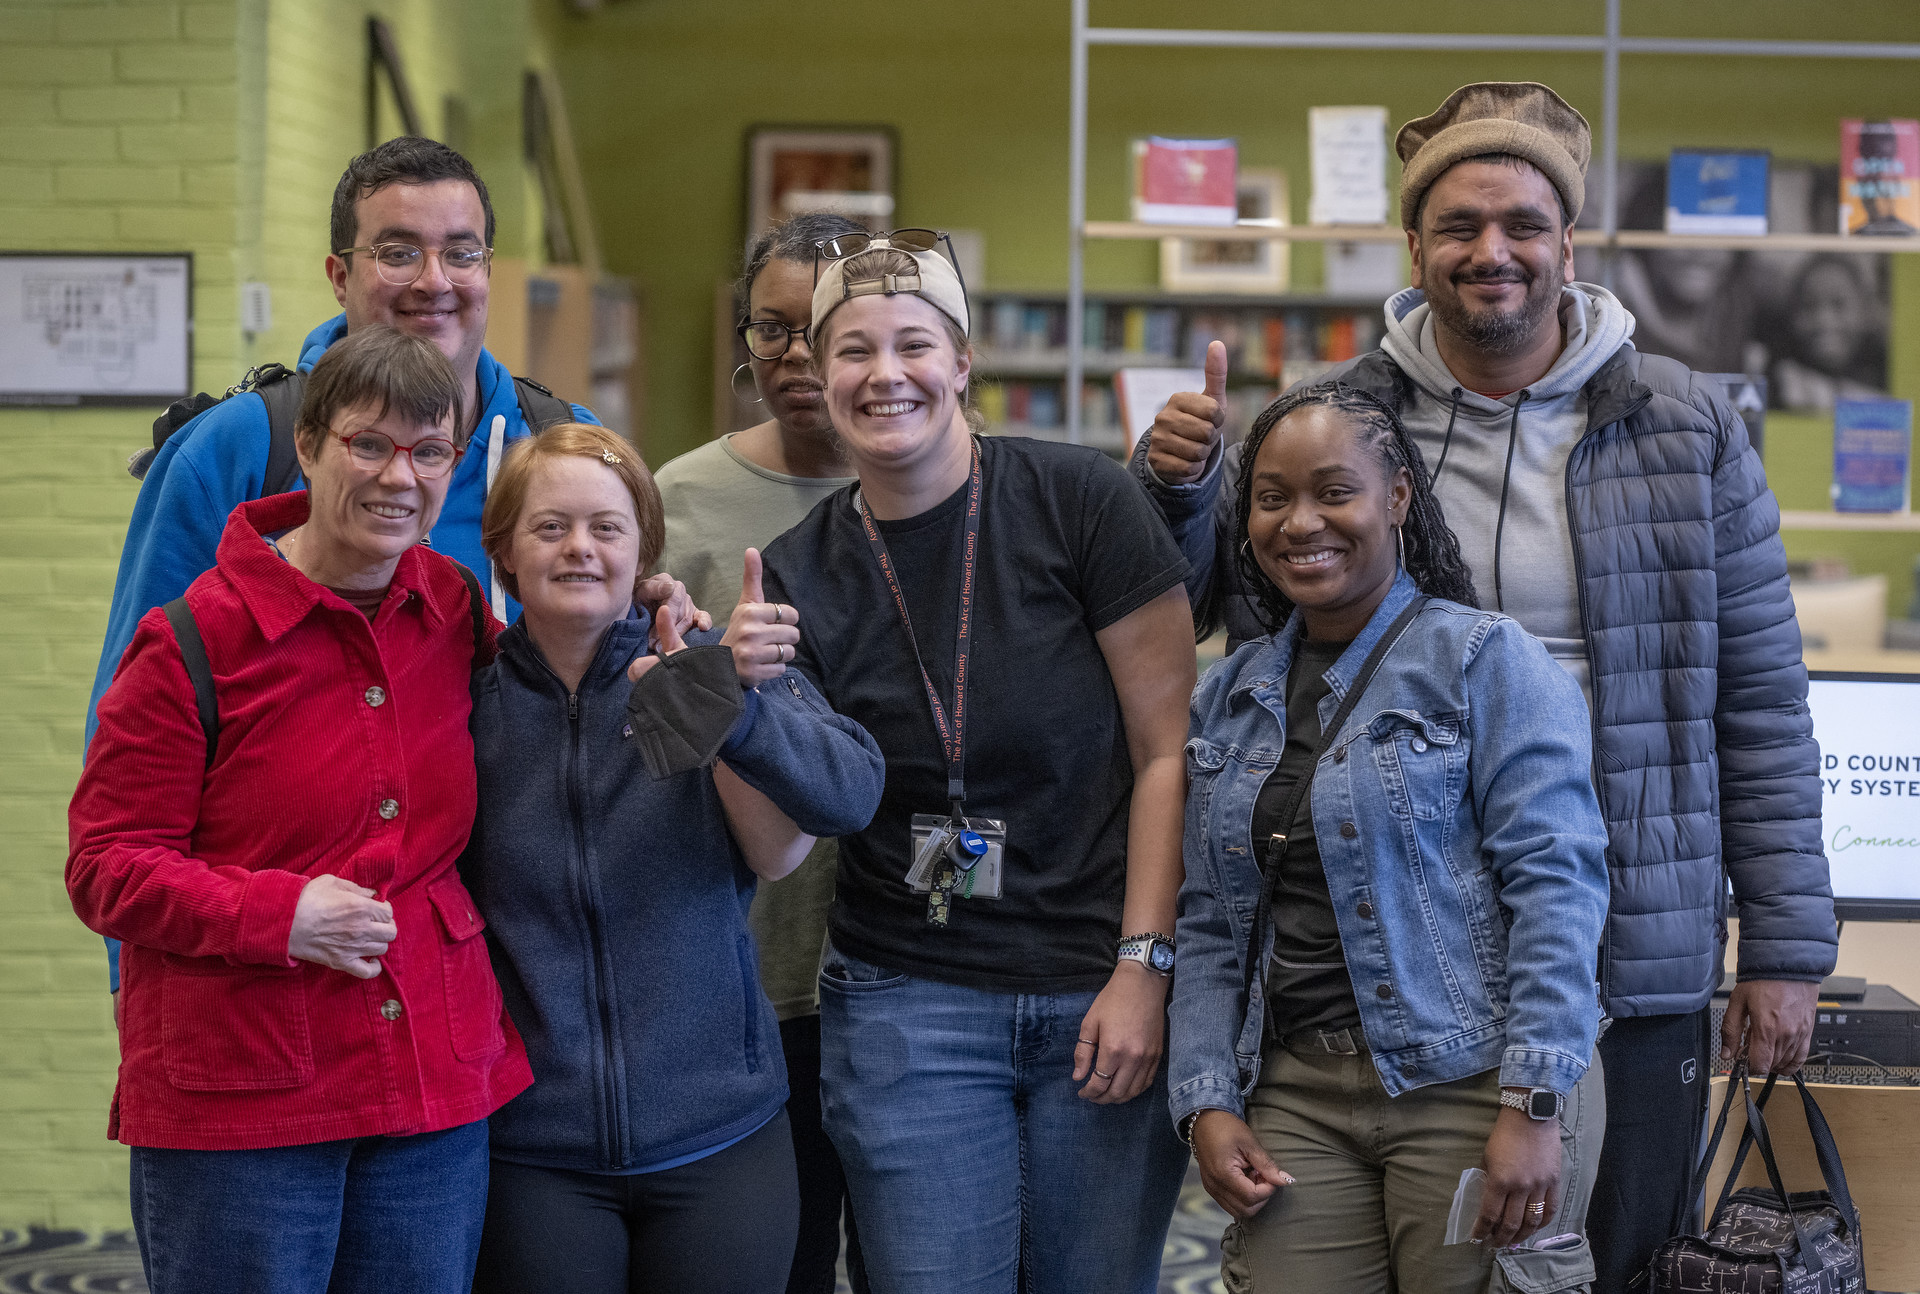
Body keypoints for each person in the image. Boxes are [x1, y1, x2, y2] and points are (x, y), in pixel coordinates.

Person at [1133, 81, 1836, 1292]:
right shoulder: (1350, 420)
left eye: (1522, 222)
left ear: (1570, 240)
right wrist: (1184, 493)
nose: (1491, 252)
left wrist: (1784, 945)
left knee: (1609, 1259)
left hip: (1631, 925)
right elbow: (1249, 628)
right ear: (1415, 246)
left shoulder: (1686, 423)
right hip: (1398, 936)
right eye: (1458, 225)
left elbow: (1761, 697)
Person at [87, 136, 656, 1006]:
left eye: (460, 252)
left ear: (489, 270)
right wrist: (151, 1003)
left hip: (509, 965)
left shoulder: (555, 441)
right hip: (277, 980)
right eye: (396, 251)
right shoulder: (245, 447)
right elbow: (131, 759)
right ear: (339, 273)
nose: (434, 279)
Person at [759, 231, 1195, 1294]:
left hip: (1099, 981)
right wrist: (741, 697)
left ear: (962, 363)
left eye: (914, 344)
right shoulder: (795, 571)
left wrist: (1145, 965)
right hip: (908, 1000)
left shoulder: (1084, 501)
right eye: (852, 350)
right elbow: (781, 842)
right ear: (820, 375)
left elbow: (1169, 750)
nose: (885, 374)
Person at [66, 326, 532, 1294]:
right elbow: (106, 864)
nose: (399, 477)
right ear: (312, 446)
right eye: (370, 444)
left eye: (429, 451)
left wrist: (649, 622)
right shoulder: (194, 637)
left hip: (428, 1081)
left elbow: (553, 700)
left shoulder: (450, 606)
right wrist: (278, 916)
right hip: (245, 1095)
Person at [1171, 381, 1609, 1294]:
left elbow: (1557, 889)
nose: (1301, 523)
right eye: (1272, 497)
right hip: (1294, 1092)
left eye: (1335, 491)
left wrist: (1534, 1100)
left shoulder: (1487, 659)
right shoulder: (1230, 693)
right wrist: (1206, 1099)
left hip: (1474, 1082)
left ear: (1398, 497)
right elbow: (1212, 918)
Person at [462, 422, 884, 1293]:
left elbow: (849, 794)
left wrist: (731, 702)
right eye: (551, 527)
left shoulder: (705, 662)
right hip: (533, 1147)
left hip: (718, 1134)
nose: (581, 548)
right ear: (503, 551)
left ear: (643, 550)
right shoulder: (465, 705)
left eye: (607, 528)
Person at [648, 211, 866, 1294]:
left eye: (821, 327)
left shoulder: (937, 485)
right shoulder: (677, 500)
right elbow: (634, 720)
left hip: (912, 967)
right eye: (771, 328)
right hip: (747, 962)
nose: (795, 355)